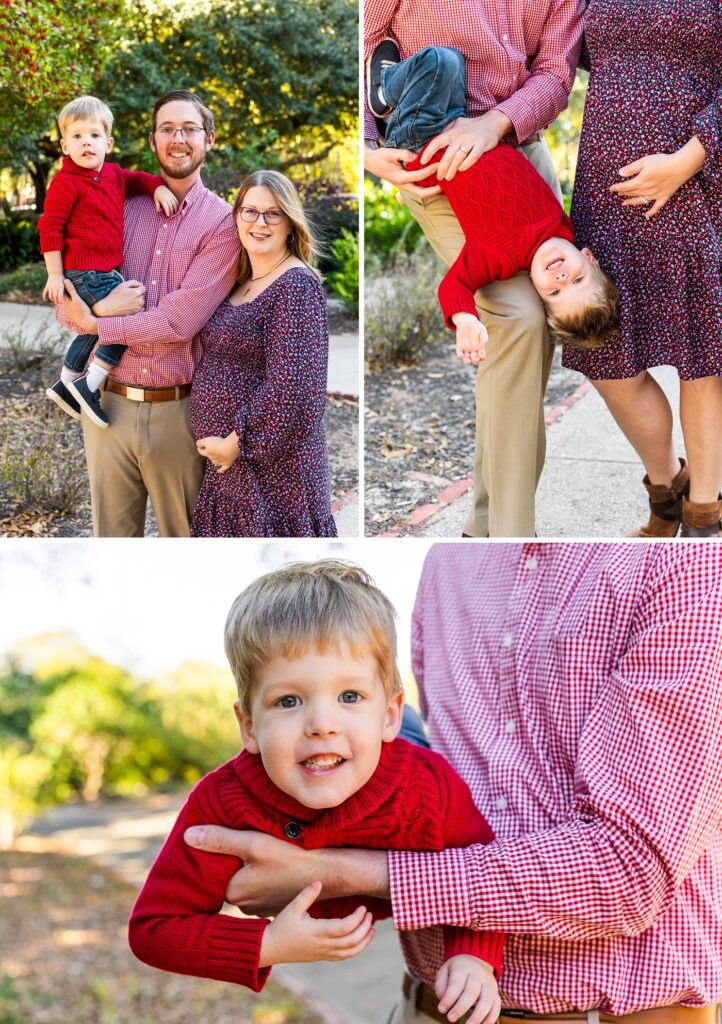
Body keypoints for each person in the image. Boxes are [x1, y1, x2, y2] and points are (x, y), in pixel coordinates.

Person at [184, 543, 722, 1024]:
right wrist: (285, 912)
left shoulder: (686, 565)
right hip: (436, 1002)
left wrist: (333, 874)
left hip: (626, 1011)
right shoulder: (447, 562)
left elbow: (629, 870)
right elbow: (442, 820)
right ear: (247, 724)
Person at [128, 560, 504, 1024]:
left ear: (388, 712)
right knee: (347, 741)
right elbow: (154, 929)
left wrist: (473, 954)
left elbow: (481, 866)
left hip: (393, 752)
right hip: (358, 750)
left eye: (348, 695)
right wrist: (268, 945)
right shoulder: (223, 803)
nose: (321, 724)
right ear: (247, 726)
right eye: (289, 701)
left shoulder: (428, 786)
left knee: (398, 742)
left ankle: (393, 724)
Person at [364, 2, 584, 537]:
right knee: (519, 322)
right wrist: (364, 146)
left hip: (515, 150)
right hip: (438, 157)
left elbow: (556, 74)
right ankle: (510, 537)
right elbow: (362, 36)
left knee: (534, 341)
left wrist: (494, 124)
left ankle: (484, 529)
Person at [562, 0, 722, 537]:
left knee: (702, 356)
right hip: (605, 195)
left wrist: (684, 161)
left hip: (694, 187)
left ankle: (704, 514)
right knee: (606, 355)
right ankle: (666, 490)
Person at [57, 90, 240, 538]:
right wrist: (93, 309)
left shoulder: (222, 224)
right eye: (167, 129)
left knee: (186, 543)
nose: (178, 138)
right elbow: (68, 297)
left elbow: (180, 323)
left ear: (209, 139)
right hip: (105, 406)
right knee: (112, 547)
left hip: (178, 413)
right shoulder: (115, 203)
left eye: (189, 129)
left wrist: (97, 323)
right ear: (153, 141)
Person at [366, 43, 619, 364]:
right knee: (455, 59)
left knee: (439, 61)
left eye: (554, 293)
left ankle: (384, 90)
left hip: (424, 143)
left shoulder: (498, 257)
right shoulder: (564, 226)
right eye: (578, 280)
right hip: (462, 122)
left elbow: (454, 286)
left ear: (538, 292)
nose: (561, 279)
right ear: (589, 258)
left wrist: (465, 319)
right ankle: (396, 90)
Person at [188, 170, 337, 537]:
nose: (260, 222)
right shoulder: (241, 280)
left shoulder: (296, 287)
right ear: (236, 216)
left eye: (273, 213)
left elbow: (296, 390)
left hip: (275, 474)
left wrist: (235, 444)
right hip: (230, 474)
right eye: (250, 211)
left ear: (290, 223)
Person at [40, 95, 178, 429]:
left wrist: (158, 188)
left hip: (99, 272)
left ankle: (67, 379)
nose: (86, 142)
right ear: (64, 145)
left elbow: (141, 179)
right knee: (129, 313)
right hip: (84, 272)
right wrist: (55, 276)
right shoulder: (66, 182)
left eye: (94, 135)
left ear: (109, 142)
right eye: (77, 137)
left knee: (94, 327)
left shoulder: (114, 175)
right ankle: (90, 384)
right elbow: (49, 227)